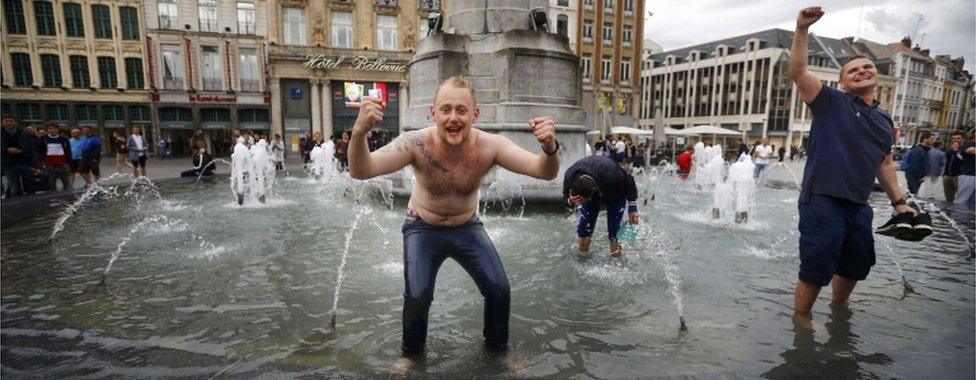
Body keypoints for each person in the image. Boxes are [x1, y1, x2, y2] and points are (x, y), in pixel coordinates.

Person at [347, 76, 558, 373]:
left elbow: (544, 172)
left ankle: (498, 352)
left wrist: (550, 148)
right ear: (433, 114)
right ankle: (411, 355)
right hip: (422, 227)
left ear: (475, 114)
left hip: (467, 227)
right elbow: (360, 170)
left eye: (461, 110)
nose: (453, 118)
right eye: (446, 110)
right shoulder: (415, 143)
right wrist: (359, 133)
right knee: (418, 294)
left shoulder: (490, 146)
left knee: (499, 289)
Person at [789, 6, 917, 329]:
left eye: (867, 67)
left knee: (855, 265)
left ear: (876, 75)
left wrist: (900, 204)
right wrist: (802, 29)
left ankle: (837, 309)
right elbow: (799, 72)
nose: (861, 71)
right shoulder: (829, 102)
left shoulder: (885, 119)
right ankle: (801, 320)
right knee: (817, 266)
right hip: (822, 199)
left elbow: (884, 163)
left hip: (858, 204)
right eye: (853, 70)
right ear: (843, 82)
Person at [564, 155, 639, 257]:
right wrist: (570, 201)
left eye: (583, 201)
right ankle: (582, 256)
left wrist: (632, 208)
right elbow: (565, 199)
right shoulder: (570, 176)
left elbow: (629, 181)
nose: (580, 204)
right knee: (584, 228)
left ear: (593, 191)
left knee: (614, 230)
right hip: (592, 185)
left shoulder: (612, 173)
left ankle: (616, 262)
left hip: (615, 193)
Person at [0, 114, 41, 197]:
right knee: (14, 186)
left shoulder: (24, 133)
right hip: (9, 164)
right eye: (6, 121)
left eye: (11, 121)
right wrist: (6, 150)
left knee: (30, 185)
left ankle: (32, 203)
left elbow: (33, 148)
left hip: (25, 163)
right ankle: (16, 205)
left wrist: (36, 165)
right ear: (2, 123)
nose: (9, 123)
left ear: (15, 122)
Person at [40, 123, 72, 191]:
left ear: (58, 129)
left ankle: (68, 197)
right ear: (47, 130)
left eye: (54, 128)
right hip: (49, 165)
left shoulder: (64, 139)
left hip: (62, 164)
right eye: (50, 129)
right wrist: (42, 162)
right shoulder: (43, 139)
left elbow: (68, 151)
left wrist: (68, 162)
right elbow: (40, 151)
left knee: (66, 182)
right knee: (51, 183)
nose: (53, 130)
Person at [955, 131, 976, 206]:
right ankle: (957, 217)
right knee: (961, 200)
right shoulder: (968, 144)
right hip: (968, 175)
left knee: (972, 203)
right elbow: (971, 150)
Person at [943, 132, 964, 202]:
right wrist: (944, 174)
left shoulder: (964, 150)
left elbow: (962, 161)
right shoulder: (949, 151)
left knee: (961, 196)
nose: (956, 140)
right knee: (948, 196)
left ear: (963, 139)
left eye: (958, 138)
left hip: (958, 176)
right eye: (954, 138)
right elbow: (946, 162)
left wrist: (956, 151)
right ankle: (948, 211)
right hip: (948, 176)